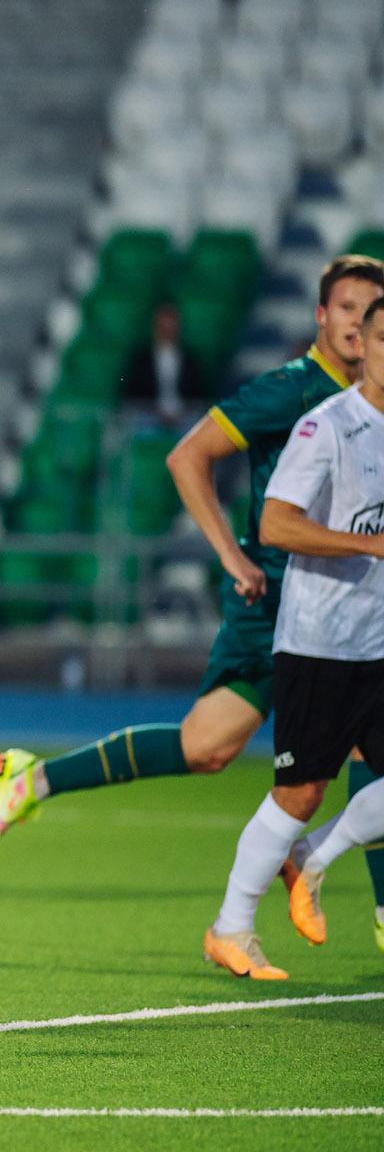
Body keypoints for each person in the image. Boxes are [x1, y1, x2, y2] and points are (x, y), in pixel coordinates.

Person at [0, 256, 384, 946]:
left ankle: (364, 905)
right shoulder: (292, 391)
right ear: (321, 316)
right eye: (345, 308)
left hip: (348, 610)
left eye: (367, 312)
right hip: (281, 608)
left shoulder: (369, 400)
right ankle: (35, 778)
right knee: (211, 747)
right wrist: (231, 554)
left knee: (348, 749)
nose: (356, 323)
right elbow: (187, 455)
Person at [203, 295, 384, 979]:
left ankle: (313, 856)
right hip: (321, 640)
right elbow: (276, 523)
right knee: (302, 792)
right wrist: (369, 545)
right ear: (363, 346)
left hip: (380, 640)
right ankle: (230, 927)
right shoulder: (327, 425)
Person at [118, 301, 206, 423]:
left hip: (184, 417)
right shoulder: (141, 360)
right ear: (155, 326)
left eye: (170, 326)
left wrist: (180, 412)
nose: (167, 330)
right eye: (163, 325)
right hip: (149, 416)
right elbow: (131, 394)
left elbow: (199, 395)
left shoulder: (190, 359)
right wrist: (155, 410)